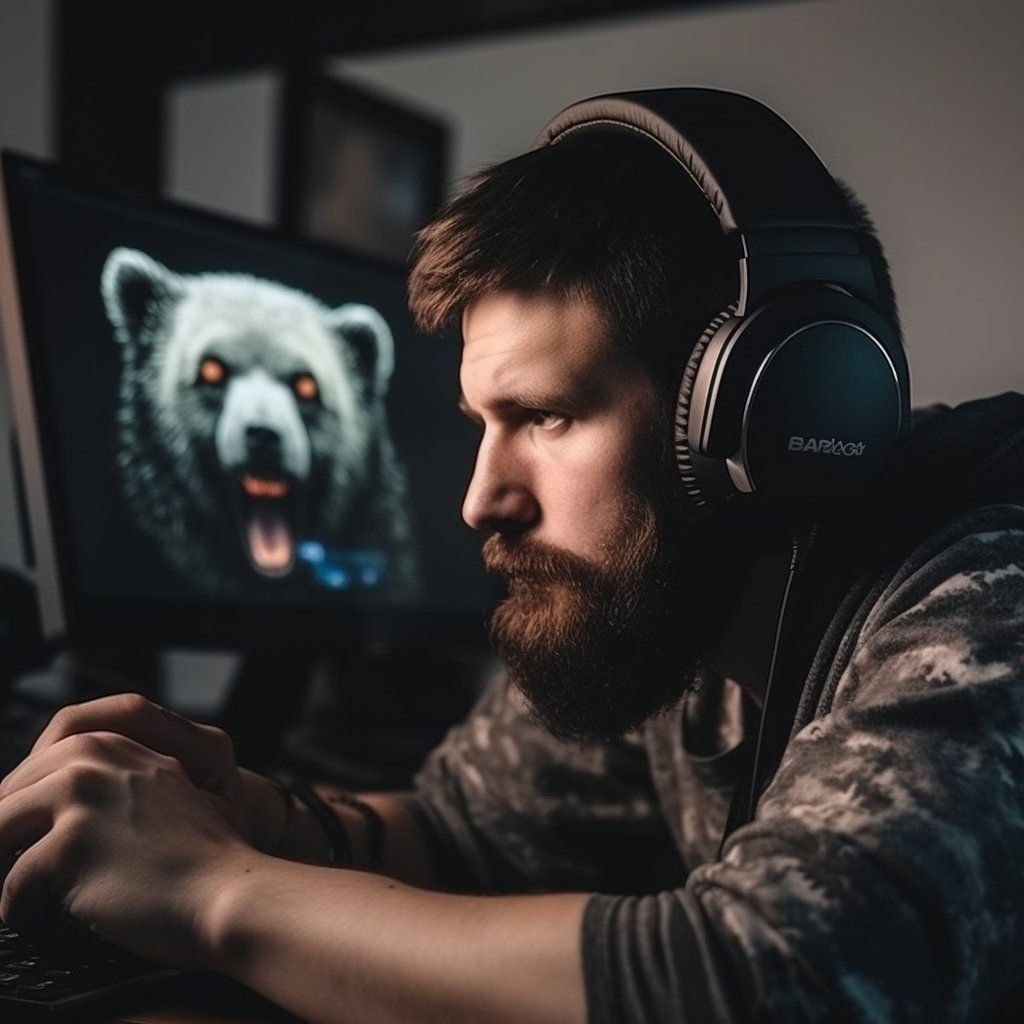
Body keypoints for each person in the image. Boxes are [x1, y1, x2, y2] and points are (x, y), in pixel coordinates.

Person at [2, 88, 1024, 1024]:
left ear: (772, 413)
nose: (479, 499)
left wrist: (211, 890)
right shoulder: (680, 613)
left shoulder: (989, 583)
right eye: (483, 422)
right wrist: (231, 810)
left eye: (543, 415)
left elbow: (769, 982)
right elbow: (462, 835)